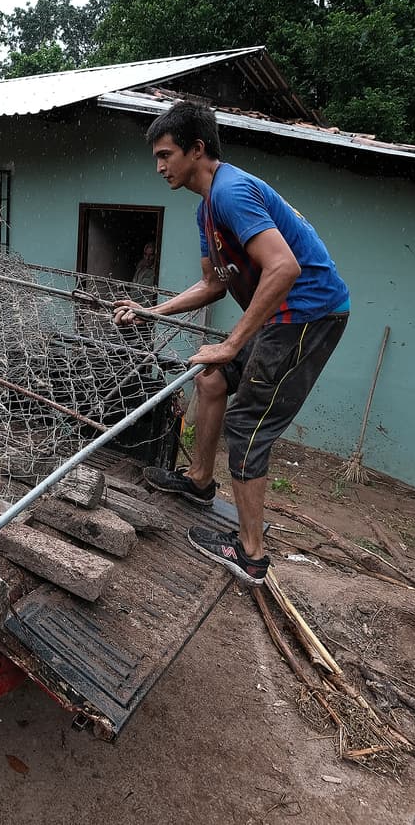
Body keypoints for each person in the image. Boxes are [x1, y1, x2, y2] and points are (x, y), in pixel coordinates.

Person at [113, 101, 350, 586]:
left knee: (247, 426)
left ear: (197, 149)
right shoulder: (207, 211)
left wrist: (231, 341)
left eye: (166, 155)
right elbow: (214, 285)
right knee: (212, 377)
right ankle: (200, 482)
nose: (159, 167)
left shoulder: (232, 193)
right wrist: (150, 311)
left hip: (309, 314)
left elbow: (285, 268)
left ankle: (251, 555)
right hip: (283, 315)